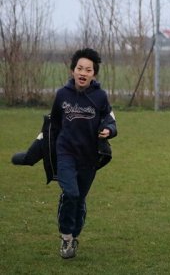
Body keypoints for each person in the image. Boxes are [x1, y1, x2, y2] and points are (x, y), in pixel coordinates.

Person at [49, 48, 117, 259]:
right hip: (65, 153)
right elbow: (54, 124)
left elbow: (110, 119)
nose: (83, 73)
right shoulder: (62, 95)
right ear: (73, 71)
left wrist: (109, 130)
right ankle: (66, 236)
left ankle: (74, 233)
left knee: (79, 198)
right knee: (71, 193)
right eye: (80, 68)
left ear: (93, 74)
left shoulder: (100, 96)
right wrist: (48, 151)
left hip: (89, 157)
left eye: (88, 70)